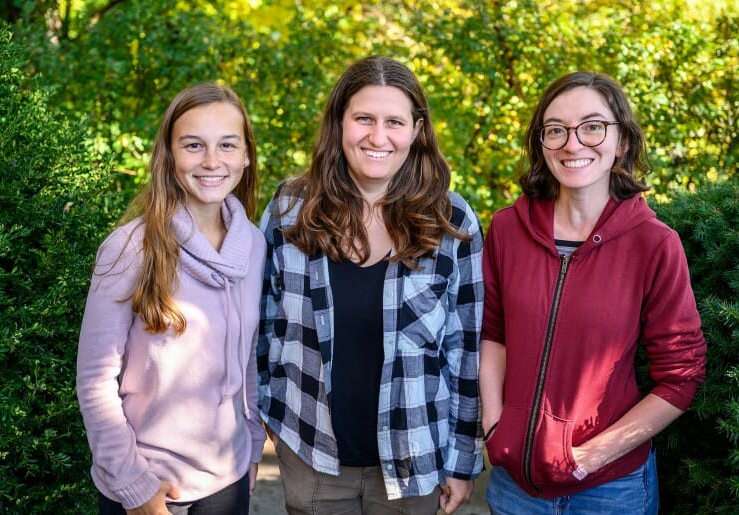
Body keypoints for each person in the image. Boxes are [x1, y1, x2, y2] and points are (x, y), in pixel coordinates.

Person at [257, 55, 484, 514]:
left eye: (394, 122)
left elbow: (466, 350)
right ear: (339, 122)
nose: (378, 137)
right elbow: (261, 328)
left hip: (415, 459)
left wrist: (462, 462)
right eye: (363, 118)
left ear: (417, 130)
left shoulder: (452, 220)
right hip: (311, 454)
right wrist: (267, 418)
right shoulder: (289, 210)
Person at [479, 71, 707, 514]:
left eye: (593, 126)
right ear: (541, 144)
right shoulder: (507, 229)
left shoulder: (654, 244)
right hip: (514, 489)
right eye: (556, 129)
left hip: (611, 490)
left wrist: (589, 458)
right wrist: (494, 424)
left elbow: (681, 377)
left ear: (621, 141)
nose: (573, 143)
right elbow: (493, 332)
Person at [76, 83, 266, 515]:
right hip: (147, 485)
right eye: (194, 145)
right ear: (169, 155)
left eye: (227, 145)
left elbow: (248, 357)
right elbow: (94, 379)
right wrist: (133, 484)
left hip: (226, 480)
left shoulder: (254, 246)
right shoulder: (130, 248)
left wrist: (252, 446)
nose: (212, 161)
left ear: (246, 155)